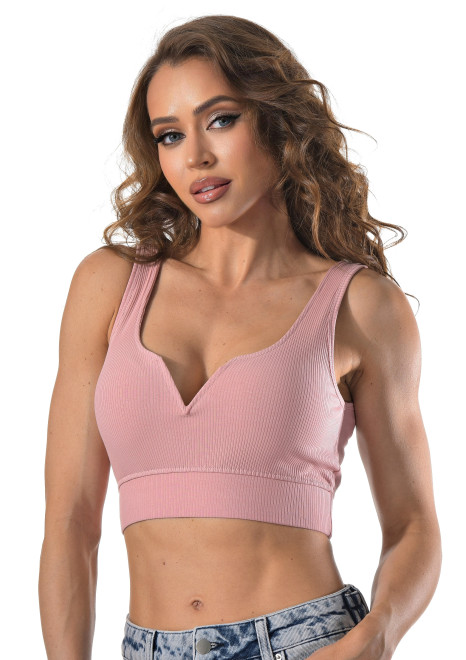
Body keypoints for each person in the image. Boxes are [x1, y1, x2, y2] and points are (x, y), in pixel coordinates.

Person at [38, 14, 442, 660]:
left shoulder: (360, 306)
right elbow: (69, 522)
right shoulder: (109, 286)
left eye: (221, 120)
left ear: (277, 120)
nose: (195, 155)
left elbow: (414, 525)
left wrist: (375, 638)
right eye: (170, 135)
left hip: (308, 642)